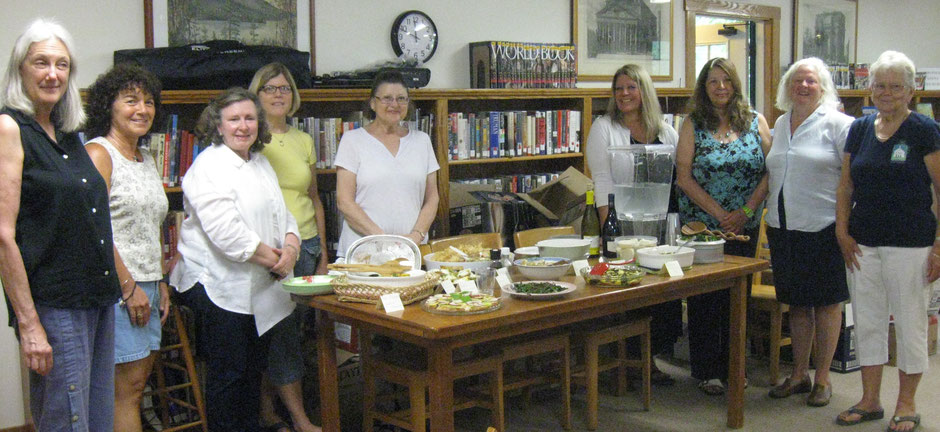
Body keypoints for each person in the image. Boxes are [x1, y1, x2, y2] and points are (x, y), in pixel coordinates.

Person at [0, 18, 121, 430]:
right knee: (66, 422)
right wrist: (30, 324)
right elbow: (3, 236)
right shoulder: (9, 128)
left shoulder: (69, 131)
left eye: (62, 64)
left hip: (97, 298)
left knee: (97, 420)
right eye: (41, 63)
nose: (52, 73)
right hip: (55, 304)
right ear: (20, 70)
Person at [171, 87, 300, 431]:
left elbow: (283, 214)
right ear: (218, 125)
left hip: (262, 283)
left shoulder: (260, 162)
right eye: (233, 119)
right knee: (229, 376)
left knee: (253, 373)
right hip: (219, 284)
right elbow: (227, 234)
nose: (243, 126)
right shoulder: (208, 166)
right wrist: (276, 260)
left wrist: (291, 247)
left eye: (249, 118)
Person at [835, 50, 940, 432]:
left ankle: (907, 404)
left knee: (910, 323)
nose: (887, 92)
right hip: (862, 243)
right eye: (880, 85)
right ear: (869, 88)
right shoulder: (860, 129)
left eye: (897, 86)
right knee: (868, 322)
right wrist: (842, 231)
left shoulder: (924, 130)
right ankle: (869, 400)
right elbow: (846, 186)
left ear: (912, 91)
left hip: (911, 244)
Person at [676, 57, 771, 396]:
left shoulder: (755, 121)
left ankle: (734, 365)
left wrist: (744, 210)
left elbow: (770, 172)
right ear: (704, 87)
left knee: (737, 298)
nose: (720, 87)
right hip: (703, 226)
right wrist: (720, 213)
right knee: (706, 299)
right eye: (713, 81)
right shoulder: (692, 123)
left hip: (745, 224)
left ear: (735, 85)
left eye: (726, 80)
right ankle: (707, 370)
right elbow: (684, 177)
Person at [83, 63, 171, 432]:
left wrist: (160, 282)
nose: (142, 109)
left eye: (149, 101)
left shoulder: (146, 157)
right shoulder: (99, 154)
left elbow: (151, 227)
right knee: (125, 393)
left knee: (135, 389)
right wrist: (129, 286)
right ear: (109, 107)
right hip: (120, 289)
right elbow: (94, 228)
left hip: (148, 286)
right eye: (131, 100)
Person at [585, 63, 683, 385]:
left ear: (644, 91)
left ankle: (650, 359)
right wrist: (608, 231)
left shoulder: (666, 130)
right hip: (622, 227)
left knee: (663, 297)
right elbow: (602, 181)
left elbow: (677, 176)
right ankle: (629, 364)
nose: (624, 94)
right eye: (619, 89)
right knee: (629, 294)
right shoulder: (604, 127)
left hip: (660, 227)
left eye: (631, 87)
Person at [764, 57, 854, 407]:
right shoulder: (780, 123)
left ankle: (824, 379)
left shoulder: (839, 124)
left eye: (811, 81)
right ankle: (799, 374)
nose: (803, 86)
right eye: (797, 81)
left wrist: (847, 225)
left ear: (823, 87)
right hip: (784, 228)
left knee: (828, 304)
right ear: (787, 86)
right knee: (798, 305)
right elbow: (772, 175)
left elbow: (852, 180)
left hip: (824, 227)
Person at [249, 63, 323, 432]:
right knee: (283, 336)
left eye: (285, 88)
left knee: (296, 334)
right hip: (275, 253)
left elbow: (314, 197)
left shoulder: (303, 139)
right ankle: (299, 418)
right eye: (270, 88)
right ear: (257, 95)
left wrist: (323, 249)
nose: (279, 95)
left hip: (307, 244)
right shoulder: (251, 139)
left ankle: (268, 406)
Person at [335, 70, 439, 255]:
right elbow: (345, 201)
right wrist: (384, 240)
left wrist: (416, 236)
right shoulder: (352, 140)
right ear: (373, 103)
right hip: (364, 252)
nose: (394, 104)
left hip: (411, 251)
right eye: (387, 98)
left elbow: (432, 199)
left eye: (401, 98)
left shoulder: (421, 141)